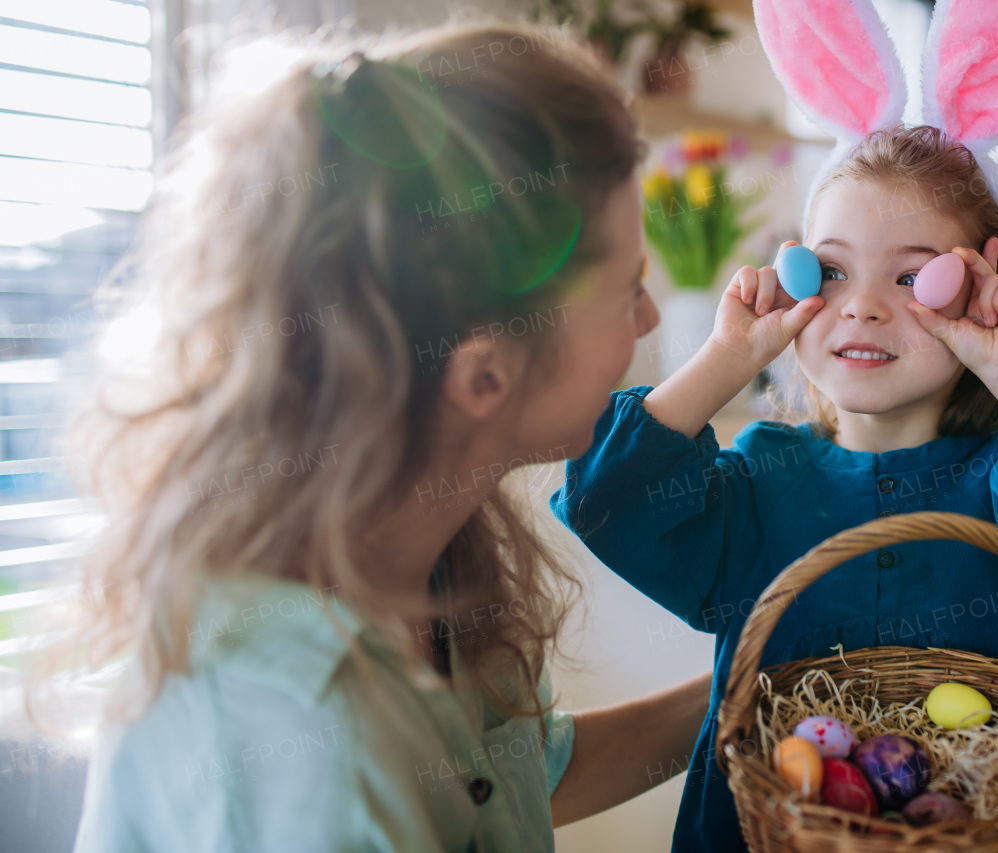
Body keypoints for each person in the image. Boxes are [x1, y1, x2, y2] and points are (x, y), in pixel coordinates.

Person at [35, 21, 711, 852]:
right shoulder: (304, 740)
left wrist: (750, 675)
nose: (645, 318)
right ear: (483, 373)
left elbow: (519, 776)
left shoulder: (427, 552)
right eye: (627, 289)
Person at [550, 121, 998, 851]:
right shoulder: (759, 483)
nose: (861, 305)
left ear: (983, 282)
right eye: (830, 269)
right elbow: (605, 499)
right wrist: (727, 355)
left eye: (913, 277)